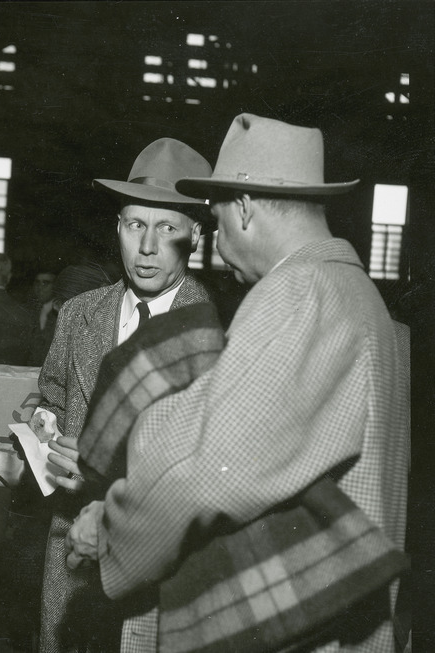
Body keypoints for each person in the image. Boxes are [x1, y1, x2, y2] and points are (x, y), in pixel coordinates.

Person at [66, 114, 410, 651]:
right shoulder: (355, 294)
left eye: (218, 218)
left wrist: (107, 532)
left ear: (244, 208)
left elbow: (202, 474)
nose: (219, 248)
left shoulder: (299, 294)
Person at [34, 138, 214, 653]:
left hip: (165, 571)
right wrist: (46, 436)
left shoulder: (220, 332)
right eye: (136, 225)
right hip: (71, 553)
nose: (148, 247)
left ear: (195, 236)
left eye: (167, 228)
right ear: (118, 227)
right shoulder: (78, 314)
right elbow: (49, 398)